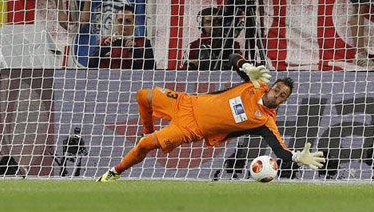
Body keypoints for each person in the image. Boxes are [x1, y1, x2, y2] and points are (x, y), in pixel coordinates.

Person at [97, 53, 326, 182]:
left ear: (283, 102)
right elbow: (231, 57)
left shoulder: (265, 122)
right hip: (187, 102)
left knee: (146, 145)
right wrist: (246, 67)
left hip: (191, 129)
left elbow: (280, 152)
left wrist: (297, 157)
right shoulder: (255, 84)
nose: (277, 95)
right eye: (276, 89)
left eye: (282, 96)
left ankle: (114, 172)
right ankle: (147, 129)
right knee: (143, 96)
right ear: (270, 88)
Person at [88, 6, 155, 70]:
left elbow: (152, 69)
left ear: (135, 22)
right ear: (115, 21)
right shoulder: (103, 42)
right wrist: (103, 49)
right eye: (120, 21)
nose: (123, 25)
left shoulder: (143, 43)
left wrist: (135, 50)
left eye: (128, 21)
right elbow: (90, 67)